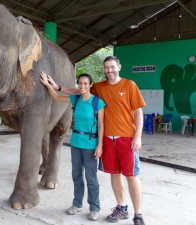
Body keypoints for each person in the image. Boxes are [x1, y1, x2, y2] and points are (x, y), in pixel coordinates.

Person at [44, 56, 146, 225]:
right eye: (106, 67)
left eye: (112, 67)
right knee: (115, 174)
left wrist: (138, 136)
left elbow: (138, 112)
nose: (110, 70)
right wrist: (57, 86)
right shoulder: (98, 87)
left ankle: (138, 214)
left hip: (127, 138)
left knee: (131, 176)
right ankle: (121, 208)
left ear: (119, 67)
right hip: (108, 139)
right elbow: (79, 91)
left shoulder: (130, 85)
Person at [40, 72, 105, 221]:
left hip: (90, 144)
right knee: (76, 175)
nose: (82, 86)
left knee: (91, 178)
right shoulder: (75, 99)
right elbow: (56, 97)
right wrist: (48, 84)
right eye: (80, 83)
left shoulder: (97, 102)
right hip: (76, 142)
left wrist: (99, 146)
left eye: (85, 84)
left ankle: (94, 207)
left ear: (91, 85)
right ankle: (77, 204)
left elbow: (101, 126)